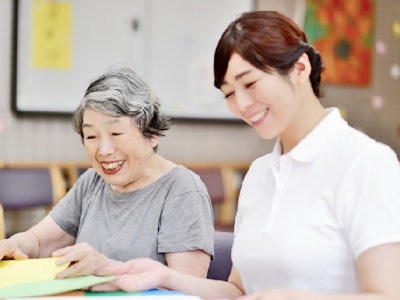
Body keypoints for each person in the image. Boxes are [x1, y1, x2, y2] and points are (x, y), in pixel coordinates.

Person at [90, 11, 400, 300]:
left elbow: (388, 294)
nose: (242, 104)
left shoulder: (367, 163)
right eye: (228, 93)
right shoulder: (260, 173)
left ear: (300, 68)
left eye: (250, 83)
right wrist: (164, 276)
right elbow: (238, 291)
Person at [0, 67, 214, 279]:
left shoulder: (183, 190)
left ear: (152, 133)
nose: (103, 150)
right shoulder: (92, 182)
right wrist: (14, 245)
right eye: (91, 136)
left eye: (116, 133)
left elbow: (188, 287)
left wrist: (108, 268)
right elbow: (39, 242)